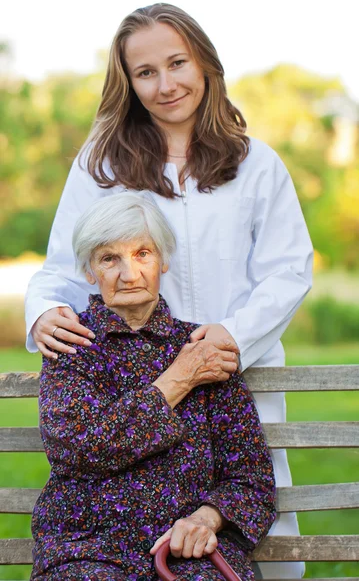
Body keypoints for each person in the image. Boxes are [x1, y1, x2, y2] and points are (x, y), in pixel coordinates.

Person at [25, 2, 313, 578]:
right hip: (134, 377)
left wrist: (231, 336)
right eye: (145, 72)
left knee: (244, 524)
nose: (166, 84)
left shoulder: (257, 165)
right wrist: (42, 313)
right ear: (127, 83)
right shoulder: (100, 165)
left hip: (237, 366)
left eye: (177, 62)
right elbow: (63, 264)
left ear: (205, 64)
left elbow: (288, 270)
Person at [30, 192, 276, 581]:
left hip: (186, 554)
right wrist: (179, 379)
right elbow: (77, 450)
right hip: (88, 550)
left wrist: (205, 519)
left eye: (142, 253)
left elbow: (251, 478)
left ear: (163, 261)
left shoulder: (202, 348)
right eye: (110, 258)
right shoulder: (72, 347)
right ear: (90, 271)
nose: (129, 274)